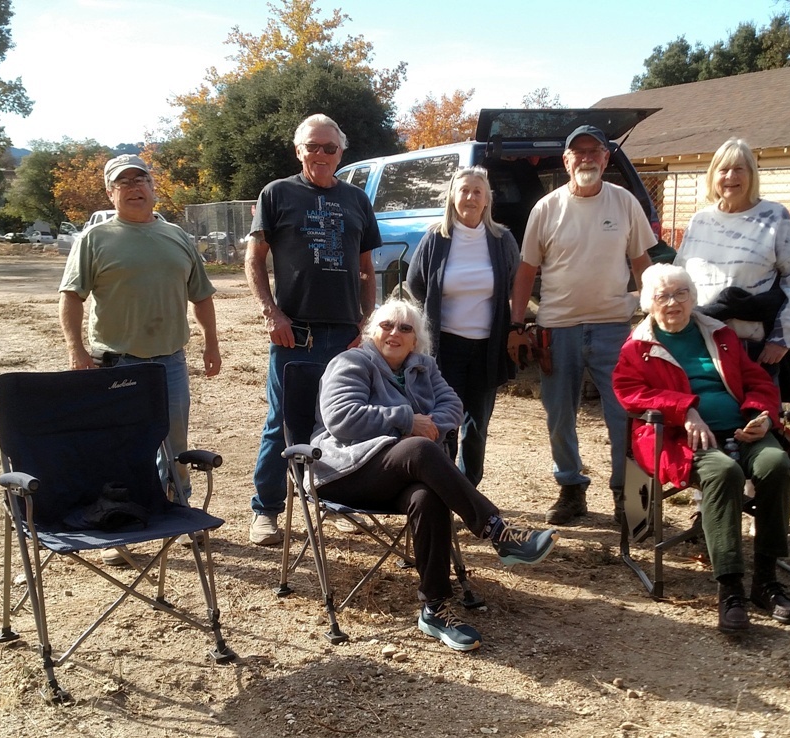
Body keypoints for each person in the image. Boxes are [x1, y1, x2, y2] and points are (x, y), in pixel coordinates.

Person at [311, 298, 558, 651]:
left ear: (416, 340)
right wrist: (407, 422)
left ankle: (435, 608)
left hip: (397, 473)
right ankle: (497, 531)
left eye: (405, 328)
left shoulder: (424, 367)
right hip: (346, 471)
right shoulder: (351, 362)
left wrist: (423, 427)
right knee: (423, 451)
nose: (394, 333)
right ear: (372, 332)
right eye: (386, 325)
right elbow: (342, 418)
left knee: (428, 495)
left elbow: (452, 408)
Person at [612, 264, 790, 633]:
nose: (673, 303)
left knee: (777, 463)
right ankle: (730, 588)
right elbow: (630, 394)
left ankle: (765, 580)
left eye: (681, 294)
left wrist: (761, 414)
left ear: (693, 298)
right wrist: (684, 410)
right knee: (723, 473)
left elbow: (757, 380)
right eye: (663, 296)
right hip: (679, 439)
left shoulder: (721, 335)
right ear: (649, 303)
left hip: (742, 430)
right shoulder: (638, 347)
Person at [59, 154, 220, 565]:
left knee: (175, 444)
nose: (133, 187)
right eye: (123, 182)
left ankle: (178, 512)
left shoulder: (177, 237)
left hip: (169, 361)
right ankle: (115, 527)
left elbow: (201, 295)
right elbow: (72, 297)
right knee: (117, 448)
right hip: (115, 363)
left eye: (141, 179)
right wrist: (77, 351)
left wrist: (211, 343)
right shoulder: (94, 239)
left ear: (152, 187)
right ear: (111, 192)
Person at [508, 125, 656, 526]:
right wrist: (516, 323)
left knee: (623, 414)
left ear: (606, 159)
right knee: (559, 416)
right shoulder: (546, 208)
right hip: (558, 328)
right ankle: (571, 489)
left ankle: (626, 497)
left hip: (613, 326)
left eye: (596, 151)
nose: (587, 157)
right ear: (567, 160)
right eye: (579, 151)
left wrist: (652, 318)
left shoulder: (624, 203)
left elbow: (641, 263)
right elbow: (526, 271)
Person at [245, 114, 380, 546]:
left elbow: (365, 269)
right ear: (298, 149)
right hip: (294, 333)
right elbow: (254, 260)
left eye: (330, 148)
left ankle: (338, 500)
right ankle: (265, 511)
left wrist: (366, 321)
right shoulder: (276, 194)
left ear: (341, 152)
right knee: (282, 422)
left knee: (340, 422)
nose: (321, 155)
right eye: (312, 146)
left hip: (344, 335)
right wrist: (272, 315)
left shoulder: (357, 198)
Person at [406, 166, 519, 486]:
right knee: (444, 422)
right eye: (464, 190)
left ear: (487, 200)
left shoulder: (502, 239)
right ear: (453, 196)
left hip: (487, 348)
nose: (470, 197)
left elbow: (512, 283)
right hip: (445, 347)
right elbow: (416, 284)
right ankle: (443, 490)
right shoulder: (435, 238)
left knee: (476, 426)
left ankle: (469, 491)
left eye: (477, 192)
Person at [675, 138, 790, 401]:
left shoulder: (774, 217)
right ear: (713, 176)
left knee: (754, 421)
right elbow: (680, 276)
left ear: (752, 175)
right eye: (723, 170)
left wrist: (782, 340)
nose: (731, 177)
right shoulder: (700, 221)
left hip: (752, 347)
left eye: (739, 169)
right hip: (704, 340)